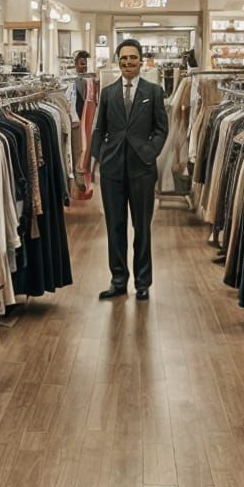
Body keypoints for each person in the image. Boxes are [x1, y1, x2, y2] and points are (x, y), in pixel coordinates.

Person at [90, 37, 168, 302]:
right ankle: (118, 280)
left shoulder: (154, 91)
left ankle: (143, 282)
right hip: (112, 170)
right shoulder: (108, 92)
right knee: (115, 227)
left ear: (141, 61)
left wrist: (150, 151)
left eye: (132, 58)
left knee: (142, 227)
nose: (128, 62)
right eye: (123, 58)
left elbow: (161, 128)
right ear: (118, 61)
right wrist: (99, 156)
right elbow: (99, 129)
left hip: (142, 169)